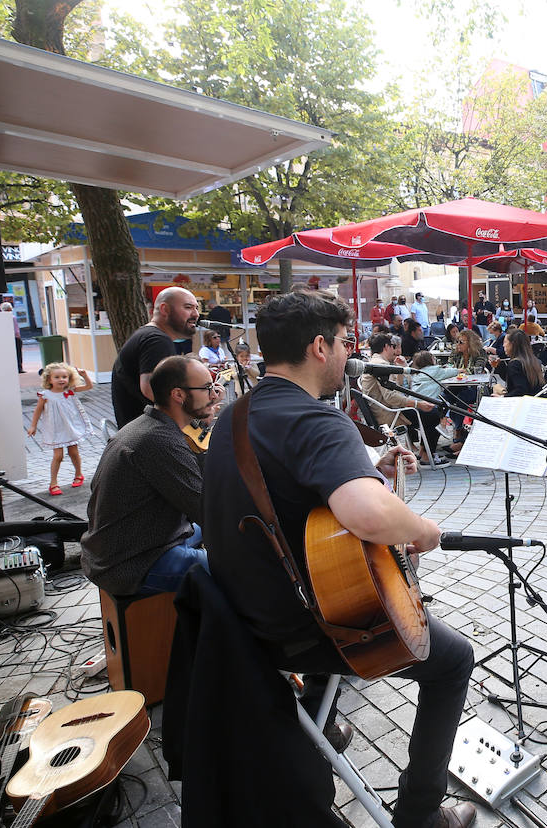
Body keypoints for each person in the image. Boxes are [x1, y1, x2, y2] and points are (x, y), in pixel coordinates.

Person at [201, 291, 475, 828]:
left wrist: (370, 462)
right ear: (319, 345)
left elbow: (282, 490)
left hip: (241, 621)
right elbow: (369, 517)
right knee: (454, 660)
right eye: (346, 342)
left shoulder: (233, 417)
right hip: (307, 628)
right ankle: (421, 814)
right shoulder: (318, 420)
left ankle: (313, 726)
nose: (351, 353)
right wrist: (423, 530)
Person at [81, 356, 217, 596]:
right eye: (207, 388)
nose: (214, 395)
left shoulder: (148, 426)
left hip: (130, 544)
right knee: (239, 566)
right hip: (132, 563)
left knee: (215, 533)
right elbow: (207, 510)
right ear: (178, 395)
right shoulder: (160, 441)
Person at [112, 286, 200, 427]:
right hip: (150, 435)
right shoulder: (157, 340)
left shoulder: (150, 335)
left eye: (196, 308)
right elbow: (152, 389)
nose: (196, 314)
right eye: (188, 307)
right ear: (165, 309)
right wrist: (192, 413)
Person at [360, 333, 440, 463]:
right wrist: (417, 404)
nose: (395, 350)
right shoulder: (382, 366)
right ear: (386, 346)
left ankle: (423, 452)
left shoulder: (375, 362)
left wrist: (402, 368)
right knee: (433, 414)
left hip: (382, 410)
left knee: (430, 412)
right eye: (393, 346)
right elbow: (390, 397)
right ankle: (426, 456)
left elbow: (401, 386)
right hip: (389, 413)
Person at [27, 362, 94, 495]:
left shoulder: (70, 391)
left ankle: (78, 474)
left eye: (64, 376)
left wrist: (85, 375)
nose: (61, 379)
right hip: (56, 429)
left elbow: (89, 386)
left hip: (70, 426)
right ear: (49, 379)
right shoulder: (45, 395)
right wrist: (33, 425)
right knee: (58, 456)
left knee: (73, 453)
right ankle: (53, 482)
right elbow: (38, 410)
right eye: (57, 377)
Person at [409, 352, 457, 456]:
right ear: (431, 360)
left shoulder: (417, 373)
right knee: (435, 419)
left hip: (411, 409)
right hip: (423, 409)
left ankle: (422, 451)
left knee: (433, 415)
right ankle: (428, 456)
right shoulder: (436, 371)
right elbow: (453, 372)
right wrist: (461, 370)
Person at [490, 329, 547, 397]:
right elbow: (516, 380)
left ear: (513, 344)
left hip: (522, 404)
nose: (503, 345)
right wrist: (499, 366)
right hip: (535, 399)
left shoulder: (515, 364)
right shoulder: (534, 360)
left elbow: (520, 391)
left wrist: (502, 397)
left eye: (505, 342)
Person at [2, 301, 24, 373]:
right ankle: (19, 368)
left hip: (6, 338)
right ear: (10, 309)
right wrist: (18, 337)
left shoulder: (0, 317)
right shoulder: (12, 317)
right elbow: (16, 329)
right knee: (18, 354)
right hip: (15, 338)